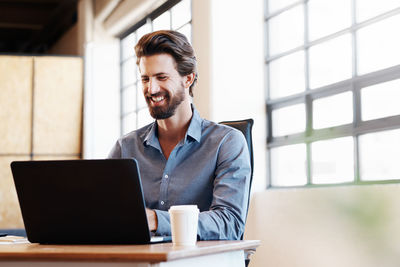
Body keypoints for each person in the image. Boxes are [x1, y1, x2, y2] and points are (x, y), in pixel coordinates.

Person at [108, 30, 250, 240]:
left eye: (161, 77)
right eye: (145, 79)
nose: (151, 88)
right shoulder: (126, 146)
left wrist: (156, 219)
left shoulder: (226, 142)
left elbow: (230, 223)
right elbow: (101, 211)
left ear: (188, 78)